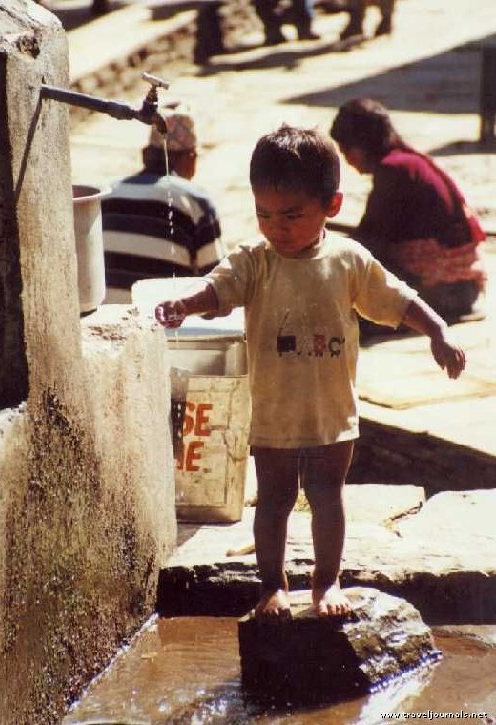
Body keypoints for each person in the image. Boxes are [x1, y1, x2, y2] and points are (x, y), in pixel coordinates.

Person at [154, 125, 465, 621]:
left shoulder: (347, 260)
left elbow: (397, 298)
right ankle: (271, 585)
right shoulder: (254, 260)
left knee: (326, 496)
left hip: (331, 411)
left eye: (292, 215)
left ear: (331, 206)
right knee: (274, 500)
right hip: (274, 411)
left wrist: (438, 330)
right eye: (264, 214)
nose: (276, 227)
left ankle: (326, 581)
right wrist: (185, 304)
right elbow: (218, 287)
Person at [330, 98, 487, 328]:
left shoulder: (394, 169)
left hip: (446, 290)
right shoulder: (408, 160)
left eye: (346, 151)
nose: (348, 160)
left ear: (360, 146)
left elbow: (371, 240)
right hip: (464, 287)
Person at [102, 102, 224, 300]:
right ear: (192, 159)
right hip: (161, 317)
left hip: (105, 315)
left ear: (145, 155)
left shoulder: (105, 196)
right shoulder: (195, 202)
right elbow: (216, 287)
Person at [254, 0, 320, 45]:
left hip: (293, 10)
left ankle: (304, 30)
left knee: (301, 5)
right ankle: (274, 34)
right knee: (262, 5)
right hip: (272, 11)